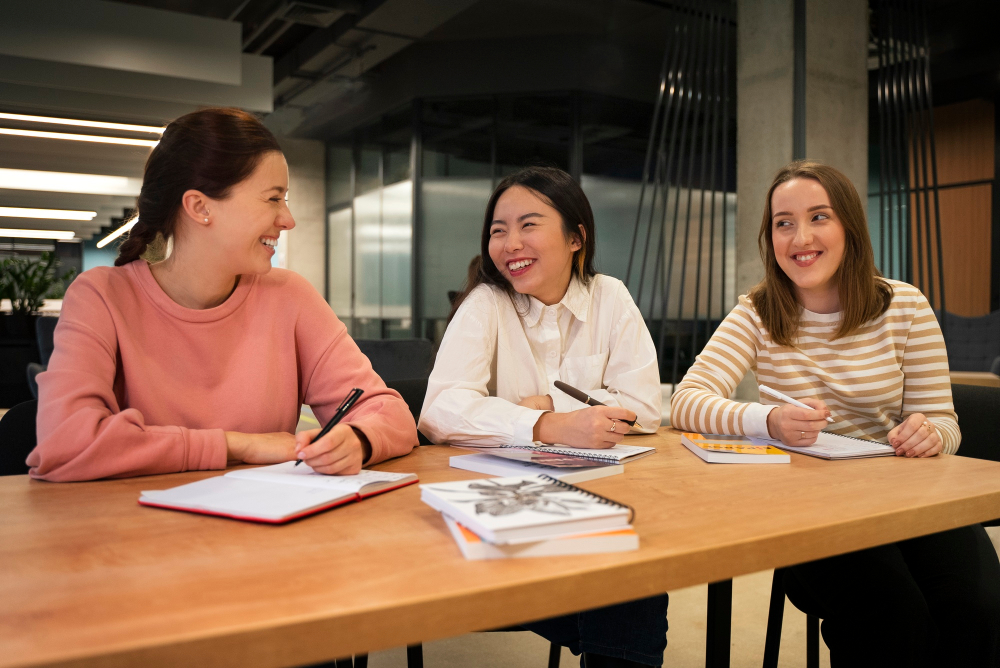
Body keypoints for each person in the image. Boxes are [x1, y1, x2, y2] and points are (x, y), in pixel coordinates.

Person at [671, 160, 1000, 668]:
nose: (800, 237)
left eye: (819, 217)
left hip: (911, 497)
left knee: (979, 610)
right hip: (811, 509)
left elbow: (944, 421)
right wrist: (770, 419)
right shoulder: (757, 312)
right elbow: (687, 401)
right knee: (893, 619)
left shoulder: (905, 306)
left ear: (849, 226)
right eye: (784, 222)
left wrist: (931, 435)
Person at [29, 107, 417, 482]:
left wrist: (359, 439)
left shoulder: (289, 296)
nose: (288, 219)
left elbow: (390, 414)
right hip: (135, 536)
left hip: (269, 531)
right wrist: (238, 446)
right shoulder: (101, 297)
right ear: (199, 207)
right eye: (273, 198)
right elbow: (65, 442)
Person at [419, 166, 667, 668]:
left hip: (602, 493)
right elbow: (439, 410)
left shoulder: (610, 297)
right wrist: (546, 427)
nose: (510, 242)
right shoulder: (487, 302)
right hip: (501, 500)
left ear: (577, 237)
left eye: (528, 225)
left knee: (637, 571)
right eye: (497, 229)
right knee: (625, 588)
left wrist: (550, 403)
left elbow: (644, 405)